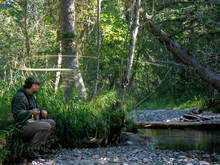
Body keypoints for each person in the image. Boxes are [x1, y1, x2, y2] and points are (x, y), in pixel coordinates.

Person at [11, 76, 55, 156]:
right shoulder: (20, 96)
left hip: (31, 123)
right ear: (33, 85)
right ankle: (32, 150)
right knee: (46, 126)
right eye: (38, 85)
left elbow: (34, 112)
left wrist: (41, 113)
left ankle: (41, 147)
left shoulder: (31, 96)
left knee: (51, 122)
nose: (39, 87)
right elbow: (17, 115)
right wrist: (30, 112)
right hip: (21, 127)